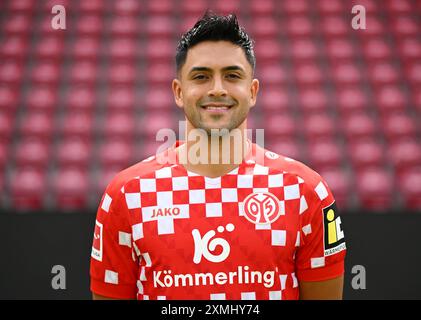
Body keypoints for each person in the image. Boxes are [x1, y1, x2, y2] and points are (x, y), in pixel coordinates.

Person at [90, 12, 346, 300]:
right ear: (178, 91)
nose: (217, 89)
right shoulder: (126, 194)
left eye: (232, 75)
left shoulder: (306, 192)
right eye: (201, 76)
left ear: (252, 91)